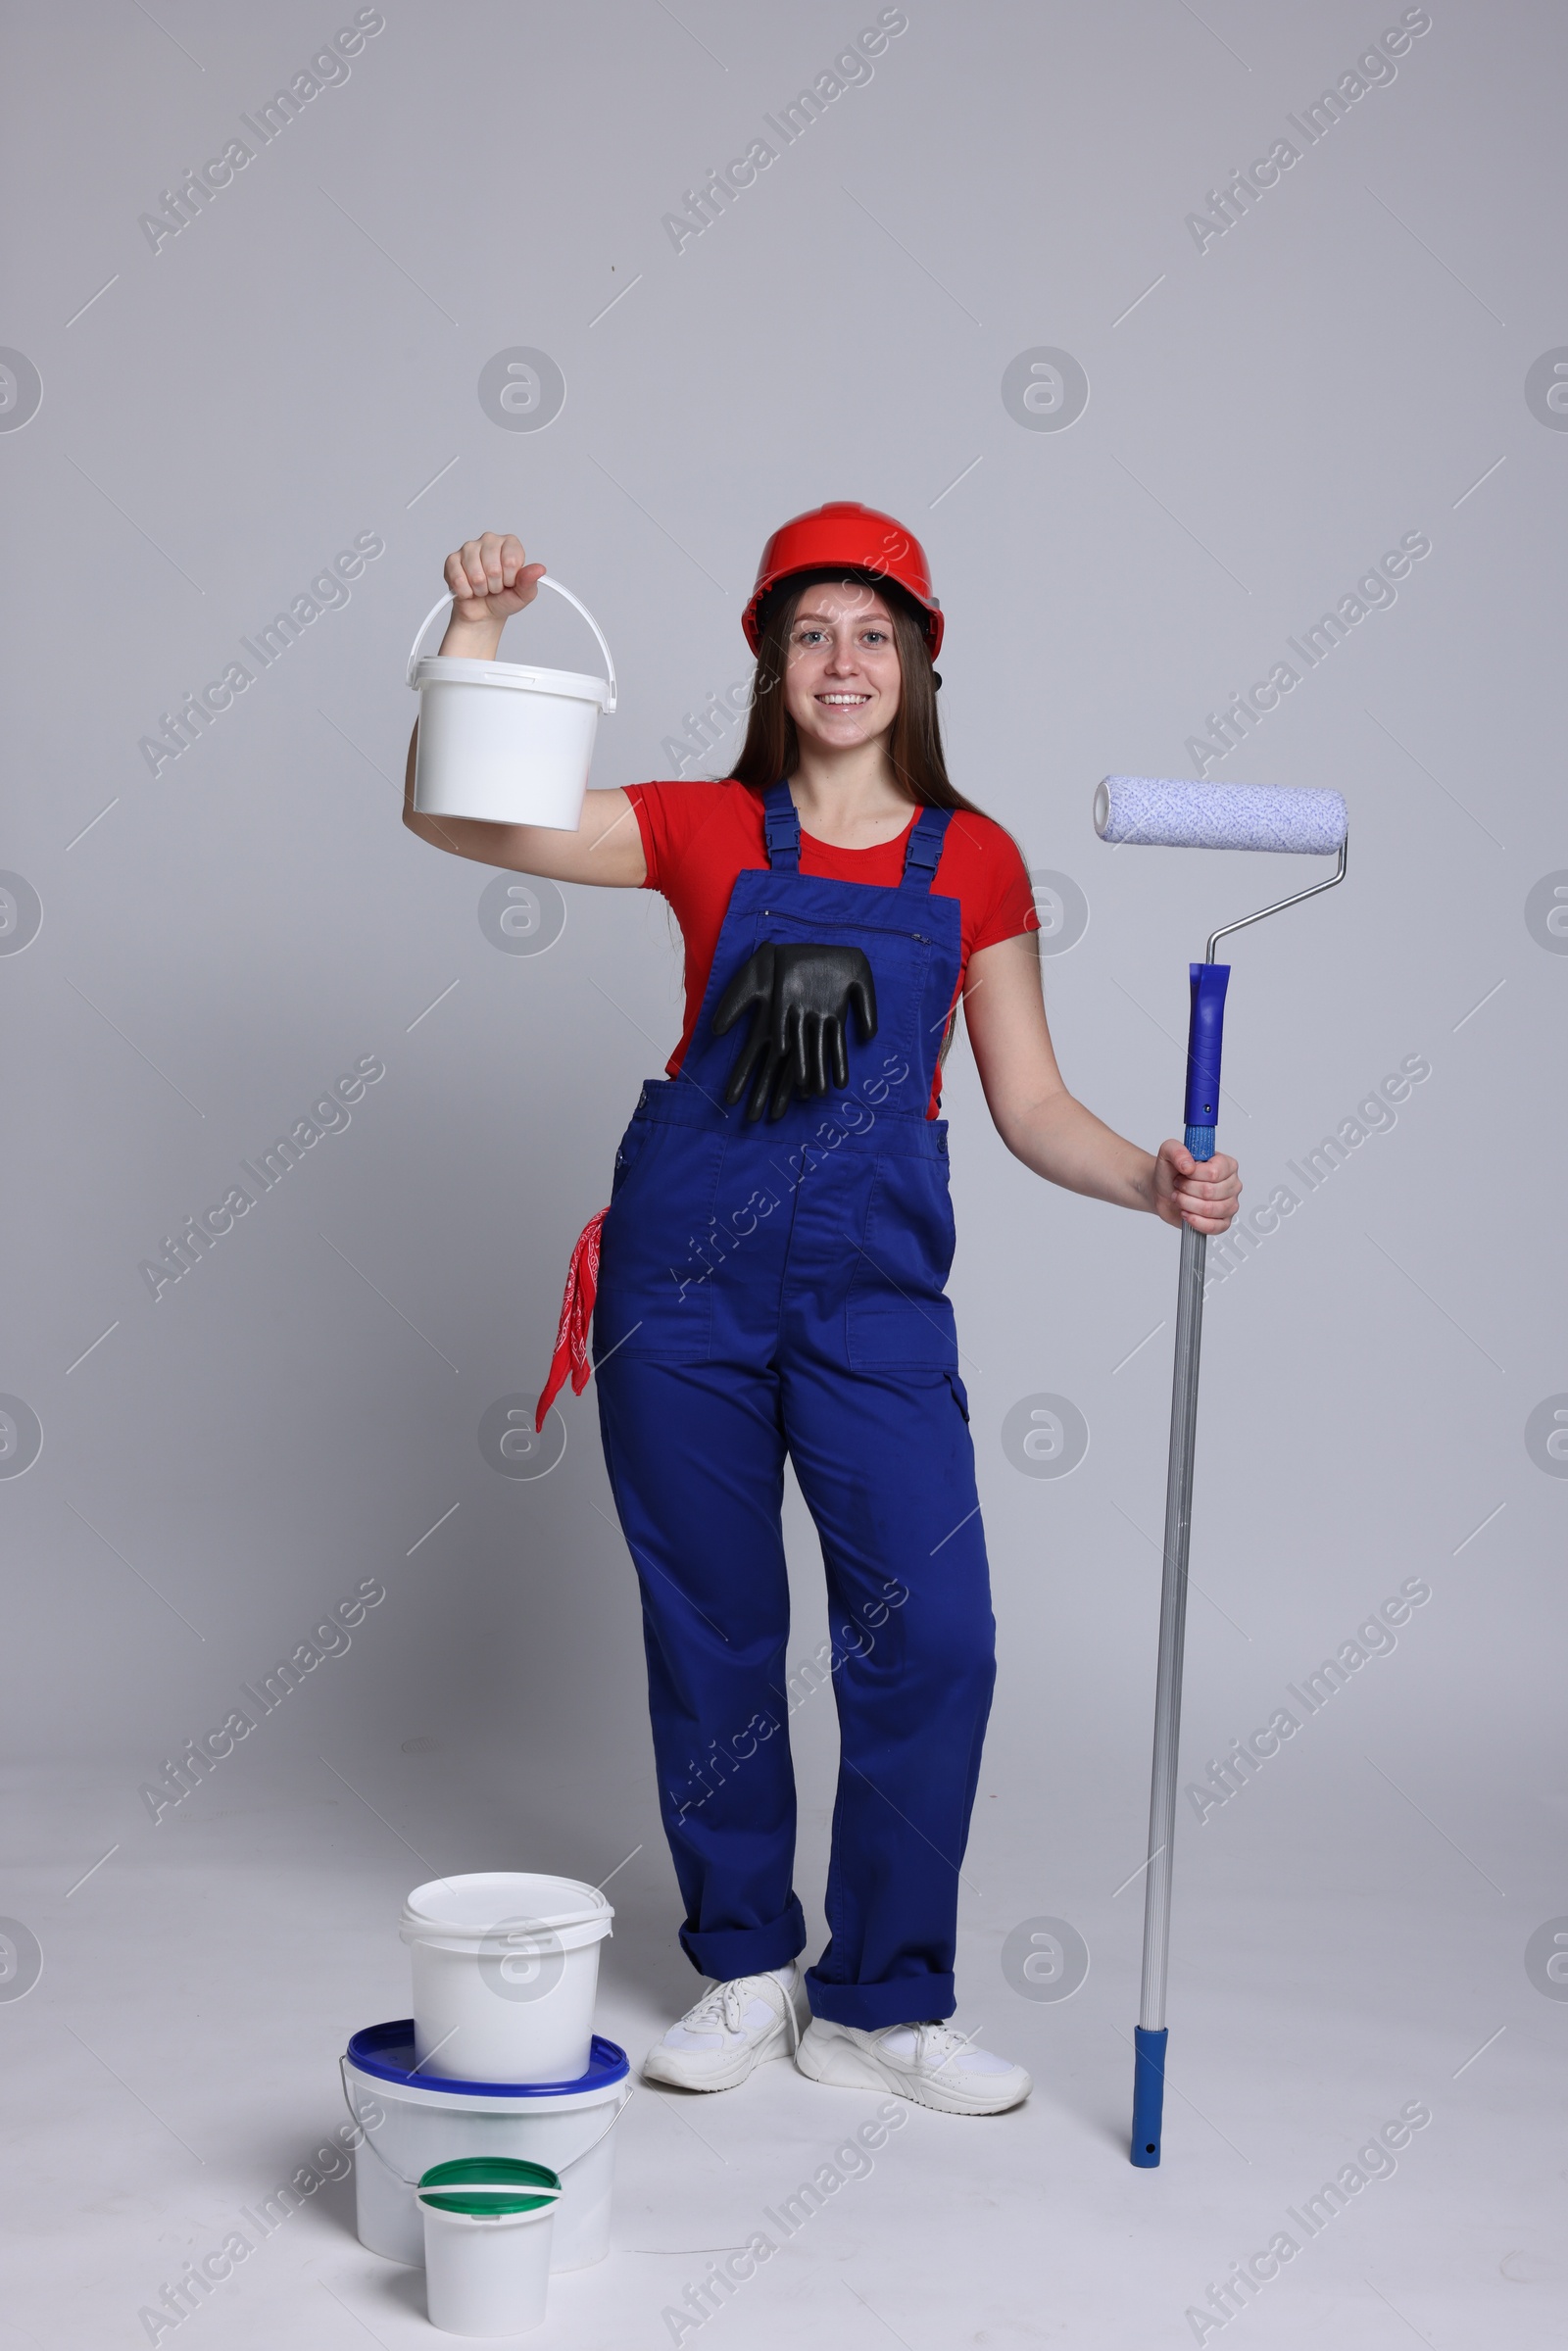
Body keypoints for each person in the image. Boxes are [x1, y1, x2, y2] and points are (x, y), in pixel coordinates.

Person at [402, 503, 1242, 2116]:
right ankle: (741, 1969)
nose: (842, 664)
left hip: (872, 1301)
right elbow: (459, 818)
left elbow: (1031, 1103)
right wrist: (482, 637)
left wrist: (1146, 1175)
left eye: (872, 633)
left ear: (921, 655)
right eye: (810, 635)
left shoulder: (977, 861)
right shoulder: (702, 826)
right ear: (769, 660)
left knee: (934, 1638)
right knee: (714, 1629)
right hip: (685, 1291)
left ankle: (882, 1996)